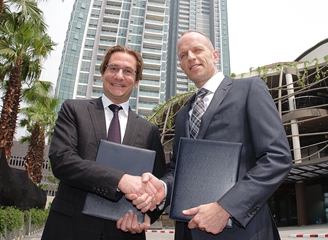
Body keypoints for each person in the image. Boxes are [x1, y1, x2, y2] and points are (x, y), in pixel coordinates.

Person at [124, 30, 292, 240]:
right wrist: (164, 188)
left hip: (243, 231)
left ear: (215, 55)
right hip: (189, 231)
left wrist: (225, 208)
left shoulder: (249, 89)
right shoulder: (183, 114)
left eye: (197, 50)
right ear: (181, 67)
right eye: (184, 55)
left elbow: (277, 158)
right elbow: (179, 168)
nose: (191, 57)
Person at [41, 45, 166, 240]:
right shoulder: (73, 110)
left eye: (128, 71)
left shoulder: (149, 130)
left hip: (124, 233)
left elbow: (157, 183)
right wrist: (121, 180)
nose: (119, 76)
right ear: (103, 72)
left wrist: (146, 216)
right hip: (69, 228)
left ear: (136, 80)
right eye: (113, 68)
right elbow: (62, 161)